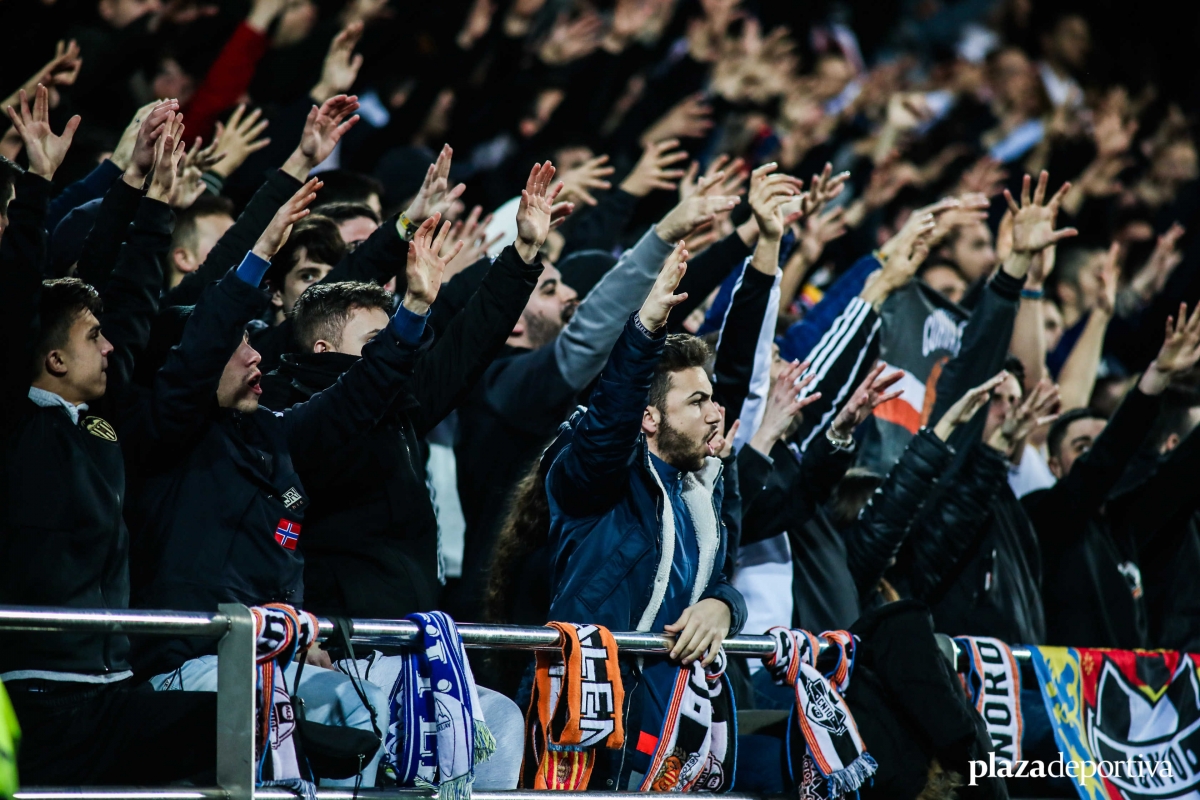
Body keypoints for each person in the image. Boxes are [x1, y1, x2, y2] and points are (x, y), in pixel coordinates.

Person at [125, 180, 443, 786]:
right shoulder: (167, 441)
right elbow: (200, 351)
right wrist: (258, 256)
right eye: (237, 345)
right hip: (191, 663)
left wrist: (415, 311)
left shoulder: (271, 433)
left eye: (252, 341)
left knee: (379, 717)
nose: (254, 357)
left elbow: (357, 394)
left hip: (270, 662)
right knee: (348, 714)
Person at [0, 86, 216, 784]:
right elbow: (20, 303)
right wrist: (37, 186)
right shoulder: (14, 420)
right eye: (92, 339)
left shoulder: (98, 419)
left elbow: (123, 301)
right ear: (53, 359)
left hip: (111, 684)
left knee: (239, 729)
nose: (111, 346)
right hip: (35, 692)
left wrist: (152, 201)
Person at [258, 161, 568, 622]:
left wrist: (522, 254)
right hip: (342, 637)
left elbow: (468, 343)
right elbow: (356, 397)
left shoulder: (398, 404)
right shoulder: (288, 414)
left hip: (412, 629)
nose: (393, 347)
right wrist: (415, 308)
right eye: (375, 341)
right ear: (324, 349)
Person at [544, 241, 745, 786]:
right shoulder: (596, 484)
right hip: (593, 725)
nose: (715, 413)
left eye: (712, 398)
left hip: (672, 722)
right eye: (697, 401)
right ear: (650, 418)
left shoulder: (698, 490)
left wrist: (724, 607)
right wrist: (644, 329)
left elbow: (719, 580)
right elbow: (608, 425)